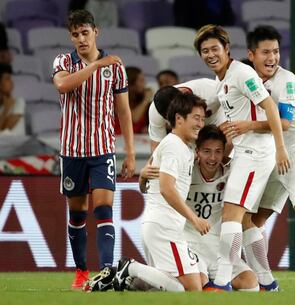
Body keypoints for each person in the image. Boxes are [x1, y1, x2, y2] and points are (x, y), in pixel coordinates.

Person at [223, 25, 295, 291]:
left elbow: (284, 123)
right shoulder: (244, 77)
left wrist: (246, 125)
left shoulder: (286, 79)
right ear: (251, 54)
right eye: (266, 52)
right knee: (251, 220)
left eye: (275, 52)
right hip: (267, 153)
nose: (272, 58)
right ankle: (262, 278)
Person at [194, 24, 290, 291]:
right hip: (244, 153)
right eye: (205, 51)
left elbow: (269, 106)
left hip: (256, 154)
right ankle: (268, 281)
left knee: (231, 215)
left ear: (227, 49)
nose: (210, 54)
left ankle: (222, 281)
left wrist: (280, 148)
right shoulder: (222, 80)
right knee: (245, 220)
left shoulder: (242, 73)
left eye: (215, 48)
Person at [52, 9, 135, 291]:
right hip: (72, 150)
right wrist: (97, 66)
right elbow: (63, 86)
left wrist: (131, 153)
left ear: (95, 32)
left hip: (102, 150)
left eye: (85, 33)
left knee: (103, 208)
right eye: (75, 34)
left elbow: (123, 112)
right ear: (71, 37)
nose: (81, 39)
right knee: (77, 214)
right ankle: (81, 271)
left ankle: (108, 270)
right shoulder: (64, 60)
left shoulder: (116, 68)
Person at [132, 124, 259, 292]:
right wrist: (142, 176)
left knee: (250, 285)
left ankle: (143, 282)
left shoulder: (231, 173)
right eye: (207, 151)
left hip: (217, 245)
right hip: (189, 241)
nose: (212, 158)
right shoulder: (186, 169)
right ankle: (139, 279)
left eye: (218, 151)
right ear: (197, 151)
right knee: (198, 286)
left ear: (224, 152)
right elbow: (152, 183)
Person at [140, 92, 210, 291]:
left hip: (158, 224)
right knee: (192, 287)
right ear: (179, 119)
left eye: (203, 119)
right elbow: (166, 188)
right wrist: (194, 219)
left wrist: (142, 177)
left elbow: (146, 186)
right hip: (165, 226)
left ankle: (128, 277)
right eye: (196, 118)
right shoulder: (174, 146)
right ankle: (129, 269)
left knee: (165, 289)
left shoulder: (179, 146)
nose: (200, 124)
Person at [148, 78, 222, 151]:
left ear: (185, 93)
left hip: (219, 123)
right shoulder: (155, 111)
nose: (179, 121)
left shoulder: (213, 91)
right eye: (174, 119)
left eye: (181, 115)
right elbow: (157, 148)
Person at [114, 67, 153, 135]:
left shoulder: (141, 101)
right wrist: (146, 100)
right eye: (141, 81)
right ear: (131, 84)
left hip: (138, 140)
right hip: (119, 139)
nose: (144, 84)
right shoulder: (117, 98)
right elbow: (133, 118)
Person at [0, 64, 25, 135]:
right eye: (7, 79)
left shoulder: (18, 102)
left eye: (11, 78)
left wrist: (6, 109)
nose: (11, 82)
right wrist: (6, 109)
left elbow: (5, 128)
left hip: (15, 145)